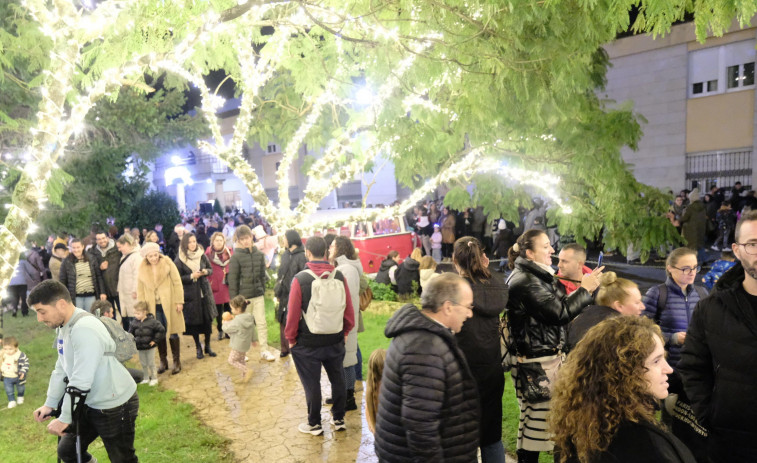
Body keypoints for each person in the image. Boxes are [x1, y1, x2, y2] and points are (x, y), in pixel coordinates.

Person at [505, 229, 601, 463]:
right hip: (537, 365)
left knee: (540, 427)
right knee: (535, 430)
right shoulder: (526, 281)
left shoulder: (534, 276)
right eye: (546, 246)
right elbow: (560, 313)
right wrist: (585, 290)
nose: (552, 250)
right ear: (529, 253)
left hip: (542, 360)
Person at [550, 316, 696, 463]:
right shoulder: (644, 445)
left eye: (663, 358)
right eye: (656, 361)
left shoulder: (579, 427)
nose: (669, 369)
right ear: (625, 371)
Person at [30, 280, 139, 463]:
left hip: (114, 404)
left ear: (61, 304)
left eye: (42, 312)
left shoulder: (84, 329)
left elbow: (80, 381)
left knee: (122, 459)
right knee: (67, 451)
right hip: (89, 401)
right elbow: (61, 368)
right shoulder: (65, 326)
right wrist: (50, 404)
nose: (40, 319)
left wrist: (64, 418)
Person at [678, 210, 757, 462]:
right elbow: (693, 367)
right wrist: (709, 414)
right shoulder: (710, 309)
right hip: (730, 442)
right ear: (737, 250)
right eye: (753, 244)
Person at [374, 272, 479, 462]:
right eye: (468, 306)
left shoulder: (424, 337)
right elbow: (420, 426)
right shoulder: (424, 349)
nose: (470, 313)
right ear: (448, 307)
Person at [286, 236, 355, 435]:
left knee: (312, 383)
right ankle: (339, 418)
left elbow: (292, 314)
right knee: (338, 378)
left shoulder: (301, 279)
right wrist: (346, 332)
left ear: (308, 252)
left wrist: (291, 339)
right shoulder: (339, 277)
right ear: (325, 252)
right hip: (335, 338)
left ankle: (314, 423)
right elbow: (348, 309)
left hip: (308, 342)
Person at [452, 237, 508, 462]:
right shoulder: (497, 285)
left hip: (462, 371)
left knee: (464, 438)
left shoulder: (457, 290)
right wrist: (487, 271)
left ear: (455, 260)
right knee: (491, 435)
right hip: (491, 368)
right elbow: (492, 282)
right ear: (482, 257)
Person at [641, 247, 707, 368]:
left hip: (697, 364)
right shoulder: (657, 293)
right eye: (686, 269)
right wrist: (672, 338)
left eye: (695, 267)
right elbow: (642, 331)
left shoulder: (702, 293)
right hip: (668, 365)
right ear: (670, 268)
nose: (692, 272)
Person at [227, 225, 275, 362]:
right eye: (242, 239)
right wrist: (234, 300)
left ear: (251, 237)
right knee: (243, 326)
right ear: (239, 240)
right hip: (243, 297)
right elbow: (233, 279)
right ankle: (241, 352)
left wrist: (262, 289)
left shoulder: (259, 254)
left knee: (261, 323)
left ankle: (264, 350)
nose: (245, 241)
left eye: (247, 238)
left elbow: (262, 275)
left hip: (258, 294)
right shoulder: (236, 257)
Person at [137, 242, 185, 375]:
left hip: (169, 303)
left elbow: (177, 282)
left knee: (173, 331)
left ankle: (177, 361)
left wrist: (179, 301)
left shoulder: (168, 263)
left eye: (155, 254)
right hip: (152, 306)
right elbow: (140, 290)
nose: (154, 258)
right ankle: (163, 361)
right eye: (150, 256)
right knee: (159, 333)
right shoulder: (142, 269)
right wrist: (142, 309)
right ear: (146, 257)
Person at [566, 272, 644, 351]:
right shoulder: (619, 331)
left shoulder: (582, 315)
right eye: (637, 302)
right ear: (619, 306)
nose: (643, 307)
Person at [329, 235, 362, 411]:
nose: (329, 249)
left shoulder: (346, 270)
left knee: (348, 358)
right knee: (344, 358)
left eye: (332, 246)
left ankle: (349, 397)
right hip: (344, 321)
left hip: (346, 322)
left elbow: (344, 297)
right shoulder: (343, 267)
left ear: (340, 248)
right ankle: (341, 393)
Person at [175, 233, 217, 359]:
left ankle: (208, 346)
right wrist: (191, 276)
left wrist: (205, 272)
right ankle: (198, 347)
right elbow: (177, 278)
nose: (193, 244)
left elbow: (210, 269)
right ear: (185, 244)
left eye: (194, 241)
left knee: (207, 320)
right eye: (190, 242)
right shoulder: (180, 259)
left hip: (204, 293)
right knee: (194, 323)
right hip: (191, 295)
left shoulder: (202, 255)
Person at [274, 230, 307, 358]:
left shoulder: (302, 256)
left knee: (292, 319)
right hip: (283, 292)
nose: (283, 241)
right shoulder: (285, 254)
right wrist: (278, 288)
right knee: (282, 319)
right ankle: (284, 348)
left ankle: (295, 348)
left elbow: (302, 275)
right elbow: (281, 272)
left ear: (291, 239)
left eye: (285, 238)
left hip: (294, 293)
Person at [59, 238, 106, 313]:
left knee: (91, 318)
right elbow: (62, 280)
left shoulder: (91, 259)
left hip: (91, 296)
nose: (76, 250)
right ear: (70, 248)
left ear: (83, 247)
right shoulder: (66, 262)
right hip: (76, 297)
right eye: (73, 248)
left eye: (78, 247)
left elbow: (98, 276)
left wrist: (102, 292)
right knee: (78, 319)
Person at [128, 301, 165, 386]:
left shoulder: (152, 322)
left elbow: (161, 330)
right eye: (134, 313)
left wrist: (155, 340)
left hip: (150, 347)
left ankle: (154, 378)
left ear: (144, 312)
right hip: (140, 347)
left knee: (151, 363)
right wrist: (132, 341)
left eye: (138, 313)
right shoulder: (134, 323)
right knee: (143, 363)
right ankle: (146, 378)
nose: (135, 315)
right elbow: (130, 333)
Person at [223, 295, 258, 382]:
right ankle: (244, 377)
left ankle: (247, 371)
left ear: (238, 309)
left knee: (231, 360)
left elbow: (227, 329)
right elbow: (253, 329)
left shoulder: (237, 320)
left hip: (238, 345)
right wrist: (254, 340)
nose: (231, 310)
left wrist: (225, 323)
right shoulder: (249, 317)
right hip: (245, 344)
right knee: (241, 360)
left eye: (232, 309)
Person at [89, 231, 122, 323]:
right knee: (110, 316)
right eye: (99, 239)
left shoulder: (117, 249)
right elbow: (94, 271)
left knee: (124, 313)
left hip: (118, 287)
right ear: (96, 240)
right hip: (105, 289)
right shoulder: (93, 253)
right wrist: (99, 267)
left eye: (103, 238)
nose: (102, 241)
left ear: (108, 238)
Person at [205, 231, 233, 341]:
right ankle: (220, 329)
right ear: (213, 241)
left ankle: (228, 330)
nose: (219, 242)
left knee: (228, 308)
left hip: (227, 284)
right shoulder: (208, 254)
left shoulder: (229, 252)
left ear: (224, 241)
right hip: (215, 284)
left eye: (221, 240)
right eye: (216, 240)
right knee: (218, 309)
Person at [116, 233, 142, 332]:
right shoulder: (126, 256)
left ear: (127, 244)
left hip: (132, 295)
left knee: (134, 320)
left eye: (120, 247)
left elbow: (137, 275)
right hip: (126, 294)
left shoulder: (136, 257)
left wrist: (135, 290)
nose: (119, 249)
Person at [679, 188, 708, 264]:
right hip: (700, 229)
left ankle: (693, 262)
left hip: (690, 230)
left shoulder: (690, 207)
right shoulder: (703, 207)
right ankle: (703, 260)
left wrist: (678, 218)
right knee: (700, 245)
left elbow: (685, 218)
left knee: (691, 247)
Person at [1, 336, 29, 409]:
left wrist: (23, 371)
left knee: (20, 388)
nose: (8, 351)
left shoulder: (20, 355)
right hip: (7, 376)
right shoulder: (2, 355)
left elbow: (25, 364)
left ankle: (20, 396)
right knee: (9, 390)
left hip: (18, 377)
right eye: (5, 349)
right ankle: (12, 401)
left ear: (16, 347)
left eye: (10, 349)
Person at [364, 348, 386, 435]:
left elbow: (367, 409)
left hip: (376, 431)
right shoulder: (388, 388)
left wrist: (371, 426)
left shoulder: (371, 387)